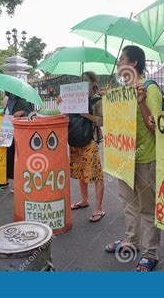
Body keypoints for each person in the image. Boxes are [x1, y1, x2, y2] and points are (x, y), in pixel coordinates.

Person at [105, 46, 163, 271]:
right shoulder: (120, 92)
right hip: (123, 160)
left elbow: (156, 127)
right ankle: (131, 241)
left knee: (148, 209)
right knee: (128, 204)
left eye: (122, 59)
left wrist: (141, 101)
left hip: (146, 159)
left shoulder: (150, 89)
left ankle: (150, 253)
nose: (118, 64)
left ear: (134, 64)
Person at [58, 71, 105, 223]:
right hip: (75, 139)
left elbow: (103, 121)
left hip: (90, 140)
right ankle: (84, 200)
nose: (83, 83)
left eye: (86, 81)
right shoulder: (75, 99)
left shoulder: (97, 101)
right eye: (81, 80)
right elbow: (66, 116)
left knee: (96, 174)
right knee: (80, 172)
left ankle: (98, 208)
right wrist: (61, 104)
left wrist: (87, 115)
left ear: (94, 83)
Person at [1, 92, 33, 188]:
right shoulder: (10, 100)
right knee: (7, 156)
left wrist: (23, 113)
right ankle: (5, 179)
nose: (4, 91)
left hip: (18, 134)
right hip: (7, 131)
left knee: (16, 158)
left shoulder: (23, 101)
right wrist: (3, 113)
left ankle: (17, 184)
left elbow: (32, 115)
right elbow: (8, 112)